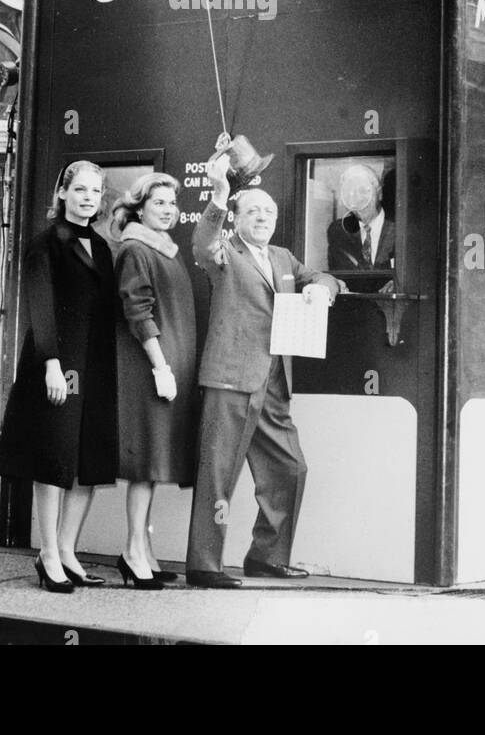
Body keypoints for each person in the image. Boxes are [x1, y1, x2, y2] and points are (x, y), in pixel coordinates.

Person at [185, 152, 343, 589]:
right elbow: (202, 245)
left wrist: (319, 291)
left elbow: (328, 278)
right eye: (252, 209)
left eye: (269, 211)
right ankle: (204, 565)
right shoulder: (224, 253)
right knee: (218, 472)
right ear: (234, 218)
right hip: (231, 377)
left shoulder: (282, 257)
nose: (262, 216)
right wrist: (218, 197)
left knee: (290, 469)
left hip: (274, 381)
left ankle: (267, 557)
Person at [0, 161, 118, 593]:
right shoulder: (45, 244)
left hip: (94, 367)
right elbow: (40, 307)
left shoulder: (101, 247)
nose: (88, 197)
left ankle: (67, 552)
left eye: (96, 191)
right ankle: (48, 555)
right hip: (59, 366)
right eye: (79, 189)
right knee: (55, 459)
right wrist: (50, 364)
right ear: (62, 193)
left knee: (86, 462)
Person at [111, 173, 199, 590]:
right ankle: (132, 551)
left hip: (169, 371)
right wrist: (160, 366)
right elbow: (138, 312)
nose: (168, 209)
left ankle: (143, 551)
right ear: (140, 207)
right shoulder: (135, 249)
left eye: (171, 203)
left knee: (154, 464)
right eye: (159, 202)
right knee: (145, 465)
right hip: (151, 372)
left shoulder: (164, 249)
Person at [326, 163, 396, 290]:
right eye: (350, 193)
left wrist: (398, 284)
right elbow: (336, 276)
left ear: (379, 194)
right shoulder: (338, 231)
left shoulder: (399, 228)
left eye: (363, 191)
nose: (358, 198)